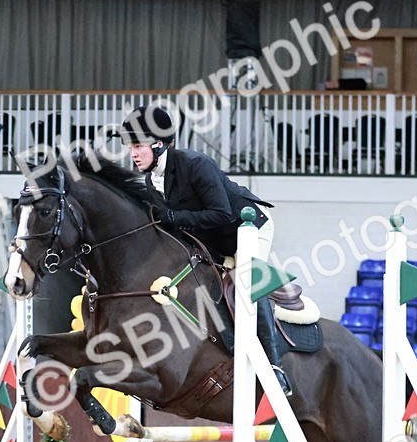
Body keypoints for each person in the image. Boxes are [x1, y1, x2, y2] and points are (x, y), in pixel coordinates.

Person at [118, 102, 291, 396]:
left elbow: (221, 213)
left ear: (159, 144)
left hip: (247, 227)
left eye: (138, 146)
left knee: (247, 280)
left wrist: (175, 217)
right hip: (213, 239)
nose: (133, 154)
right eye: (130, 147)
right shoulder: (151, 180)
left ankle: (274, 368)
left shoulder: (195, 164)